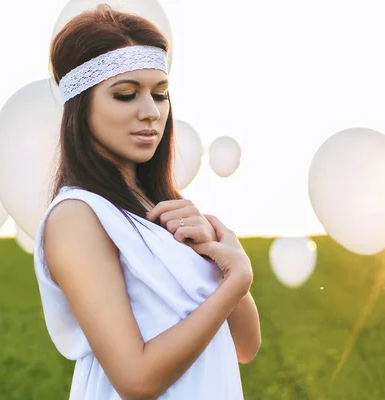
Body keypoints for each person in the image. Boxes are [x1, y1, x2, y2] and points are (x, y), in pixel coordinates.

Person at [33, 4, 261, 399]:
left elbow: (245, 346)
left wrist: (224, 258)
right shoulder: (77, 216)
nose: (151, 112)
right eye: (125, 95)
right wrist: (235, 279)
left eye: (160, 94)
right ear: (80, 106)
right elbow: (135, 380)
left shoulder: (166, 209)